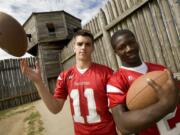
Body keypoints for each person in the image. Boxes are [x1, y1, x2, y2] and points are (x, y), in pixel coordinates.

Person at [20, 29, 118, 135]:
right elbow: (55, 108)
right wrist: (38, 82)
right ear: (74, 47)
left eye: (88, 44)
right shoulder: (65, 76)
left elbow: (118, 108)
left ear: (93, 48)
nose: (83, 47)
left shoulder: (106, 73)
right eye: (80, 44)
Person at [107, 29, 180, 135]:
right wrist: (165, 104)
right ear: (116, 52)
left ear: (136, 42)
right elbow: (123, 125)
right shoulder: (115, 82)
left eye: (131, 43)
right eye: (122, 47)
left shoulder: (161, 70)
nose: (129, 49)